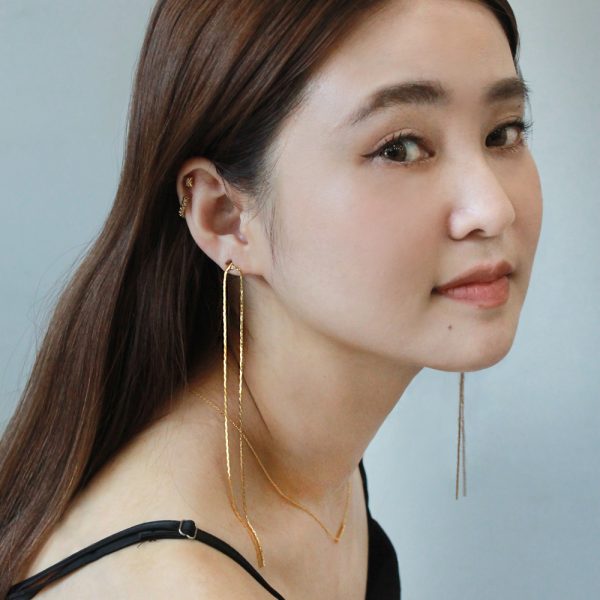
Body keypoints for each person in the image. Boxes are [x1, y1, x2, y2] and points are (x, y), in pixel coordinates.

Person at [1, 0, 542, 597]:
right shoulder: (170, 583)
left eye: (503, 132)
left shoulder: (306, 457)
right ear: (226, 216)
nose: (493, 208)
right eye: (400, 148)